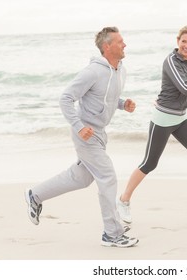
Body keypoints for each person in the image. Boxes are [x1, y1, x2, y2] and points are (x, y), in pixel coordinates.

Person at [24, 27, 139, 248]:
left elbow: (106, 98)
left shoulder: (120, 70)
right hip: (85, 135)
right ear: (107, 47)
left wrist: (124, 104)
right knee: (108, 177)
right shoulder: (93, 71)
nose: (125, 44)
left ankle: (35, 196)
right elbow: (66, 98)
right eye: (120, 41)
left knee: (80, 178)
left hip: (100, 134)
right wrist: (78, 126)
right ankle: (112, 234)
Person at [117, 26, 187, 224]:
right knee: (149, 163)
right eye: (184, 41)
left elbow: (182, 89)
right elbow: (185, 88)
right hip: (163, 119)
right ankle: (123, 201)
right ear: (178, 42)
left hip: (180, 117)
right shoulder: (170, 61)